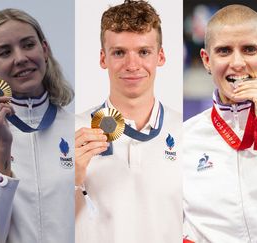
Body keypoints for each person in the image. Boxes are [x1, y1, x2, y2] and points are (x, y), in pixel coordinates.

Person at [75, 1, 182, 242]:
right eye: (119, 52)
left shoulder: (187, 132)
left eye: (143, 52)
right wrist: (68, 182)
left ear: (160, 56)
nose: (132, 65)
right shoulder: (72, 132)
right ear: (103, 58)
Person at [183, 4, 257, 242]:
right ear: (206, 60)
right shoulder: (182, 138)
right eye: (224, 51)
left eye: (249, 49)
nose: (238, 63)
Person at [0, 9, 75, 243]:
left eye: (28, 45)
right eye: (5, 52)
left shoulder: (76, 129)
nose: (20, 58)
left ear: (44, 49)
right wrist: (2, 146)